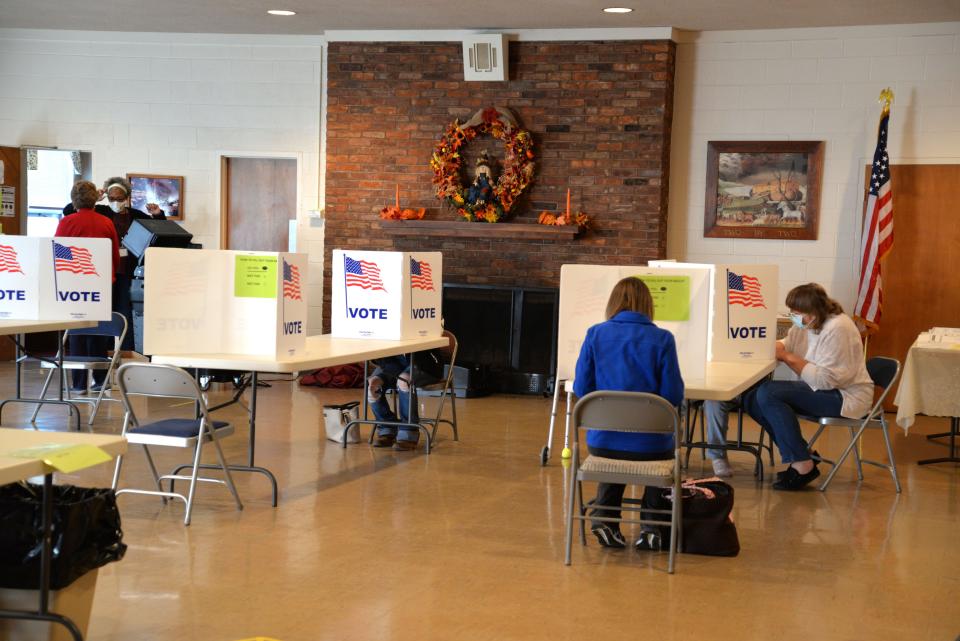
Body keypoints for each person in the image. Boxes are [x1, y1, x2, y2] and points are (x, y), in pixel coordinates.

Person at [573, 277, 684, 549]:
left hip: (603, 443)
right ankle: (652, 527)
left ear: (614, 303)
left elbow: (581, 388)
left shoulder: (595, 334)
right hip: (652, 445)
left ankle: (604, 518)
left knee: (614, 445)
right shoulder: (663, 339)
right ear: (648, 304)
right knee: (654, 448)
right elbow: (673, 396)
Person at [742, 283, 873, 490]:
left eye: (796, 312)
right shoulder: (810, 323)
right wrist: (773, 347)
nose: (793, 316)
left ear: (813, 311)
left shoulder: (838, 327)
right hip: (824, 390)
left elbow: (825, 380)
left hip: (845, 397)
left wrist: (786, 356)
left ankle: (803, 464)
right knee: (751, 398)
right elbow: (788, 341)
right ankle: (803, 457)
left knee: (769, 392)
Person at [63, 177, 164, 351]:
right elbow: (69, 210)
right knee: (102, 313)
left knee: (124, 312)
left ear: (127, 197)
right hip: (103, 273)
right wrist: (95, 198)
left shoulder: (136, 215)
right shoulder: (101, 211)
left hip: (126, 272)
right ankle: (104, 348)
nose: (116, 202)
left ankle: (125, 350)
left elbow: (158, 229)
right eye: (112, 198)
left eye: (119, 198)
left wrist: (158, 214)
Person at [54, 180, 121, 391]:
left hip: (74, 284)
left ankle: (79, 383)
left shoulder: (67, 222)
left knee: (77, 332)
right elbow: (114, 255)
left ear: (74, 200)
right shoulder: (106, 222)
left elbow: (58, 252)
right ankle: (100, 380)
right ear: (96, 200)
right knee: (98, 332)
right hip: (100, 283)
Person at [369, 332, 453, 452]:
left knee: (404, 380)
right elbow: (381, 359)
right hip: (394, 364)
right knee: (373, 384)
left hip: (425, 366)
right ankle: (387, 427)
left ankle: (409, 433)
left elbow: (426, 357)